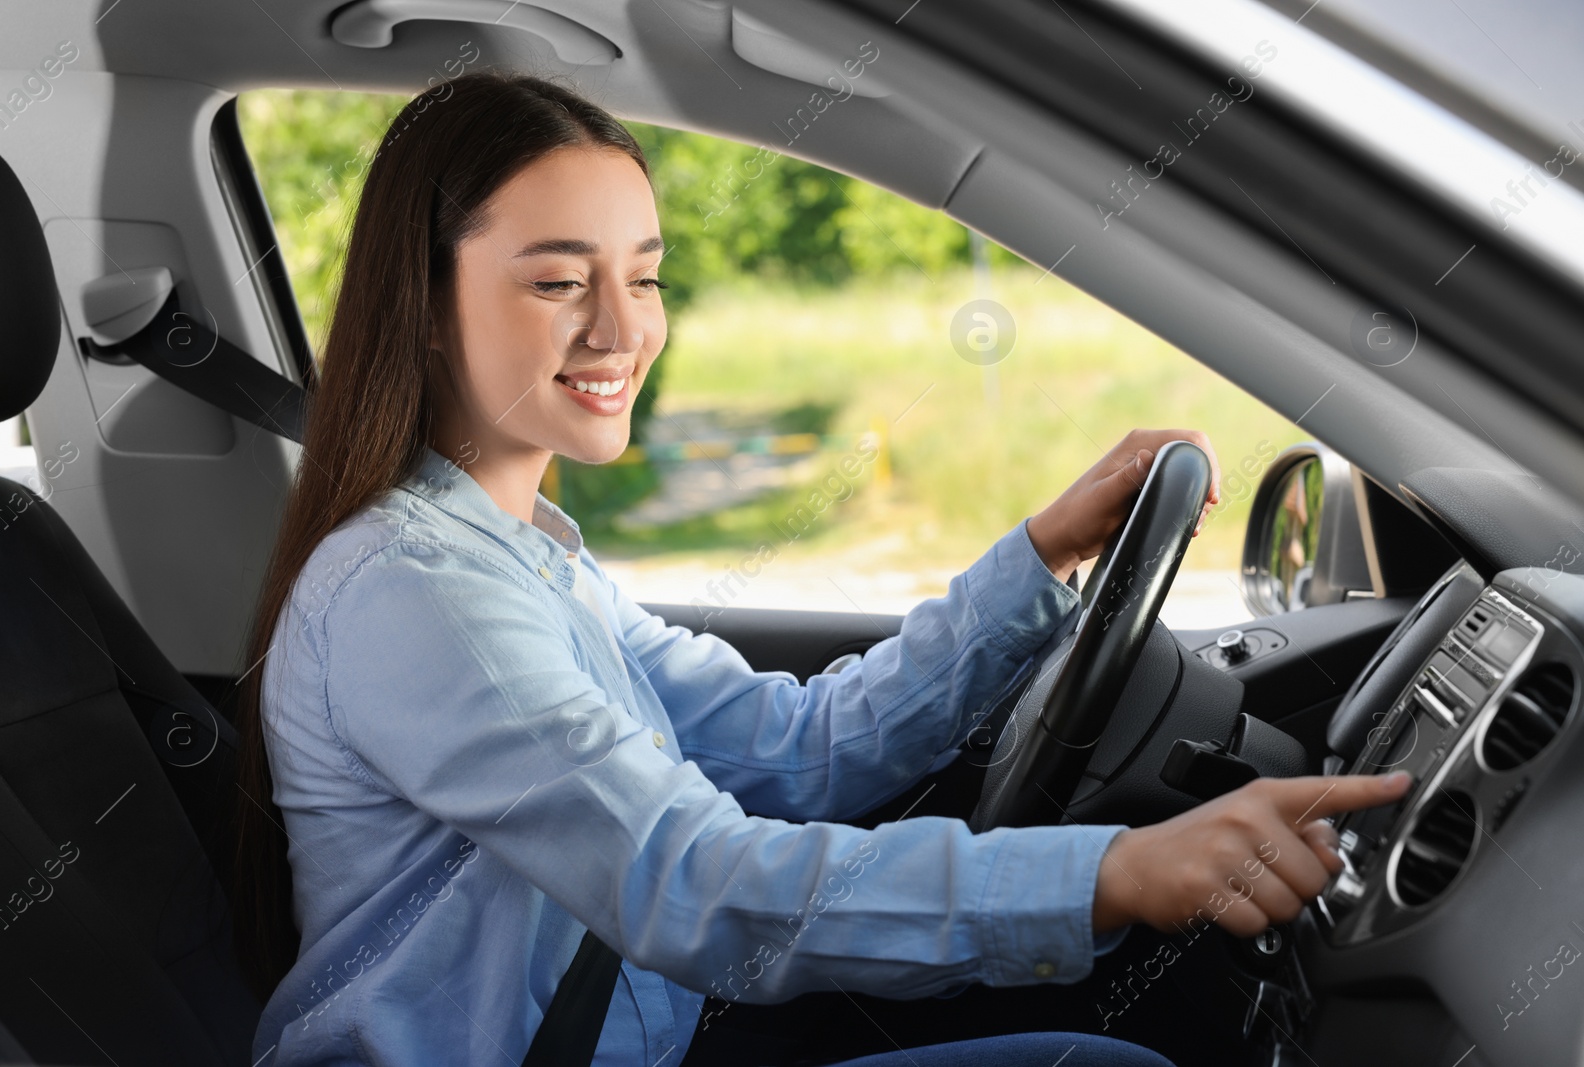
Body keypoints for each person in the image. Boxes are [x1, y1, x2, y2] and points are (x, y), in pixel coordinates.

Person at [233, 71, 1412, 1067]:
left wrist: (1042, 553)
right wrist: (1113, 870)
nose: (621, 328)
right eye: (556, 280)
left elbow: (796, 748)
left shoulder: (526, 562)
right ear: (425, 308)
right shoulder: (414, 590)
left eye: (642, 274)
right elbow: (688, 882)